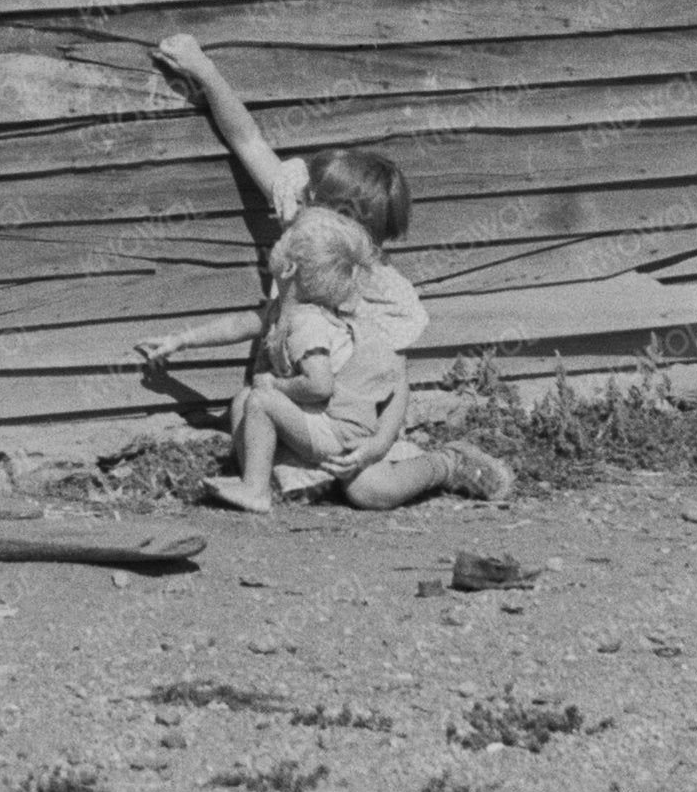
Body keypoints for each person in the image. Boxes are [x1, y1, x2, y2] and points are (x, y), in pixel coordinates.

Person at [135, 30, 517, 514]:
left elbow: (395, 383)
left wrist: (376, 447)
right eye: (306, 199)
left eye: (313, 201)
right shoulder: (303, 231)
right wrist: (204, 71)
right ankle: (290, 475)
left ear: (350, 229)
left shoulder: (378, 293)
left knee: (370, 491)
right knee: (243, 408)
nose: (298, 204)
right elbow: (248, 140)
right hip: (302, 407)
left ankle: (447, 463)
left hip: (354, 422)